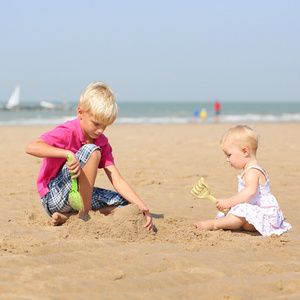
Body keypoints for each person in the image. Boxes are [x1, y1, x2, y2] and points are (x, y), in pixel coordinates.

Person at [26, 81, 153, 230]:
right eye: (96, 123)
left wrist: (142, 206)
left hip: (79, 199)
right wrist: (67, 153)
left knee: (128, 205)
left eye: (105, 125)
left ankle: (69, 217)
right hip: (54, 197)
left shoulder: (103, 142)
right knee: (91, 150)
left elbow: (117, 180)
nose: (100, 130)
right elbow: (31, 147)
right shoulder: (68, 131)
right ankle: (84, 215)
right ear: (80, 113)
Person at [194, 125, 292, 236]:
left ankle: (215, 224)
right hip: (256, 211)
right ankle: (222, 220)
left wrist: (229, 202)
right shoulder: (249, 169)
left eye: (229, 155)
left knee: (239, 210)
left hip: (265, 215)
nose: (227, 160)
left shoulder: (252, 172)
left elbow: (250, 192)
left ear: (245, 152)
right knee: (231, 209)